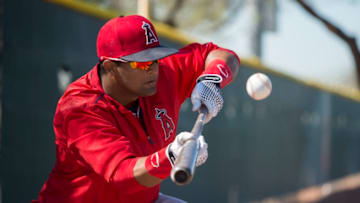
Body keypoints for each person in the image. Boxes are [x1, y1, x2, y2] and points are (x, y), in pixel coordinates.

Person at [32, 15, 240, 203]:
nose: (152, 69)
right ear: (110, 68)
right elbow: (124, 176)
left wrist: (212, 78)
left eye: (155, 58)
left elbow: (220, 54)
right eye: (140, 63)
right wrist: (170, 156)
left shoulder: (161, 74)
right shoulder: (79, 108)